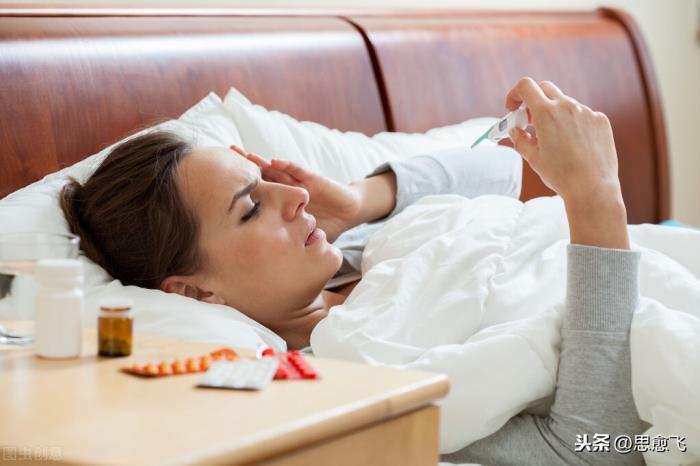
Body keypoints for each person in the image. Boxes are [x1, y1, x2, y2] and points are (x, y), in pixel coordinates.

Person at [61, 78, 646, 464]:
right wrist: (596, 200)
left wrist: (358, 201)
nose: (293, 196)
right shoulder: (353, 378)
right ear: (194, 291)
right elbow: (596, 450)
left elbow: (493, 170)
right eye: (251, 208)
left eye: (266, 180)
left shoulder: (364, 248)